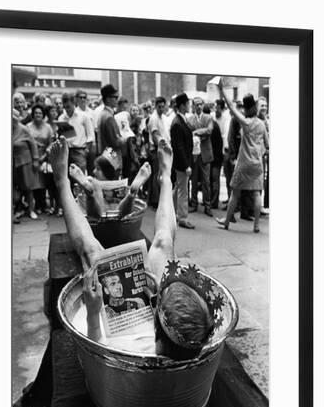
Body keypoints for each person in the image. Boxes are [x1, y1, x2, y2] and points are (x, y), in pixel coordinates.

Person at [50, 137, 215, 360]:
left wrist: (92, 312)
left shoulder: (131, 354)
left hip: (121, 338)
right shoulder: (196, 338)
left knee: (91, 252)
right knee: (164, 242)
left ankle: (62, 183)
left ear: (157, 324)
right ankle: (165, 179)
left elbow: (94, 354)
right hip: (160, 328)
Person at [215, 78, 269, 233]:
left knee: (235, 192)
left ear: (246, 109)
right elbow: (267, 145)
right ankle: (256, 225)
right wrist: (260, 153)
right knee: (257, 193)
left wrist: (222, 90)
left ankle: (226, 221)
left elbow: (231, 107)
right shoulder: (261, 124)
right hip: (257, 163)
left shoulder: (245, 122)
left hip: (244, 162)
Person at [68, 148, 151, 220]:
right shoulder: (92, 182)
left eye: (98, 169)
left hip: (98, 222)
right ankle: (131, 194)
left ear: (107, 172)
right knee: (124, 207)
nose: (94, 172)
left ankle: (90, 195)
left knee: (92, 201)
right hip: (119, 224)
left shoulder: (121, 186)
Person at [170, 92, 195, 229]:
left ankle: (171, 212)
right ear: (182, 105)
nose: (189, 106)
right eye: (187, 104)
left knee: (178, 188)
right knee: (183, 191)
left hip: (182, 162)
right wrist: (186, 165)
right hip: (182, 163)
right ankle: (183, 218)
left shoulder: (180, 120)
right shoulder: (177, 123)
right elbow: (178, 147)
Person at [187, 97, 214, 216]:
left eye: (200, 104)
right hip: (194, 153)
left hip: (205, 154)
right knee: (193, 179)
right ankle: (193, 204)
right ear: (193, 106)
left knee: (206, 181)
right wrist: (197, 132)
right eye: (196, 105)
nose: (198, 106)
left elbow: (209, 130)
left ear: (203, 105)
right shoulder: (190, 119)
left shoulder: (208, 118)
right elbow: (188, 132)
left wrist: (196, 132)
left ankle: (207, 205)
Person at [27, 104, 54, 214]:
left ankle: (43, 205)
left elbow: (51, 144)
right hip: (31, 156)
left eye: (40, 113)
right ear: (33, 114)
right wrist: (34, 158)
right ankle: (36, 205)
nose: (38, 115)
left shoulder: (48, 127)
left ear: (43, 115)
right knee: (34, 182)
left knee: (43, 182)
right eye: (36, 113)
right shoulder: (28, 127)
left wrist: (44, 156)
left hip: (44, 156)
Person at [58, 92, 95, 174]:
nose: (67, 109)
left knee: (79, 178)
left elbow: (90, 135)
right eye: (65, 107)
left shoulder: (83, 116)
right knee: (67, 176)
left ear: (73, 103)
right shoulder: (61, 118)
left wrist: (86, 150)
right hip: (66, 151)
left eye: (68, 107)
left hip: (79, 151)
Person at [12, 115, 40, 221]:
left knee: (28, 187)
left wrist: (35, 159)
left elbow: (33, 143)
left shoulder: (23, 129)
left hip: (25, 160)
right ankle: (18, 209)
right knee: (15, 186)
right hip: (13, 161)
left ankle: (31, 210)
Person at [96, 84, 124, 174]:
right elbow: (115, 142)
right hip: (112, 158)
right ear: (108, 99)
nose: (117, 100)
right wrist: (126, 138)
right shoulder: (108, 117)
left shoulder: (103, 114)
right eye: (115, 97)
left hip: (106, 156)